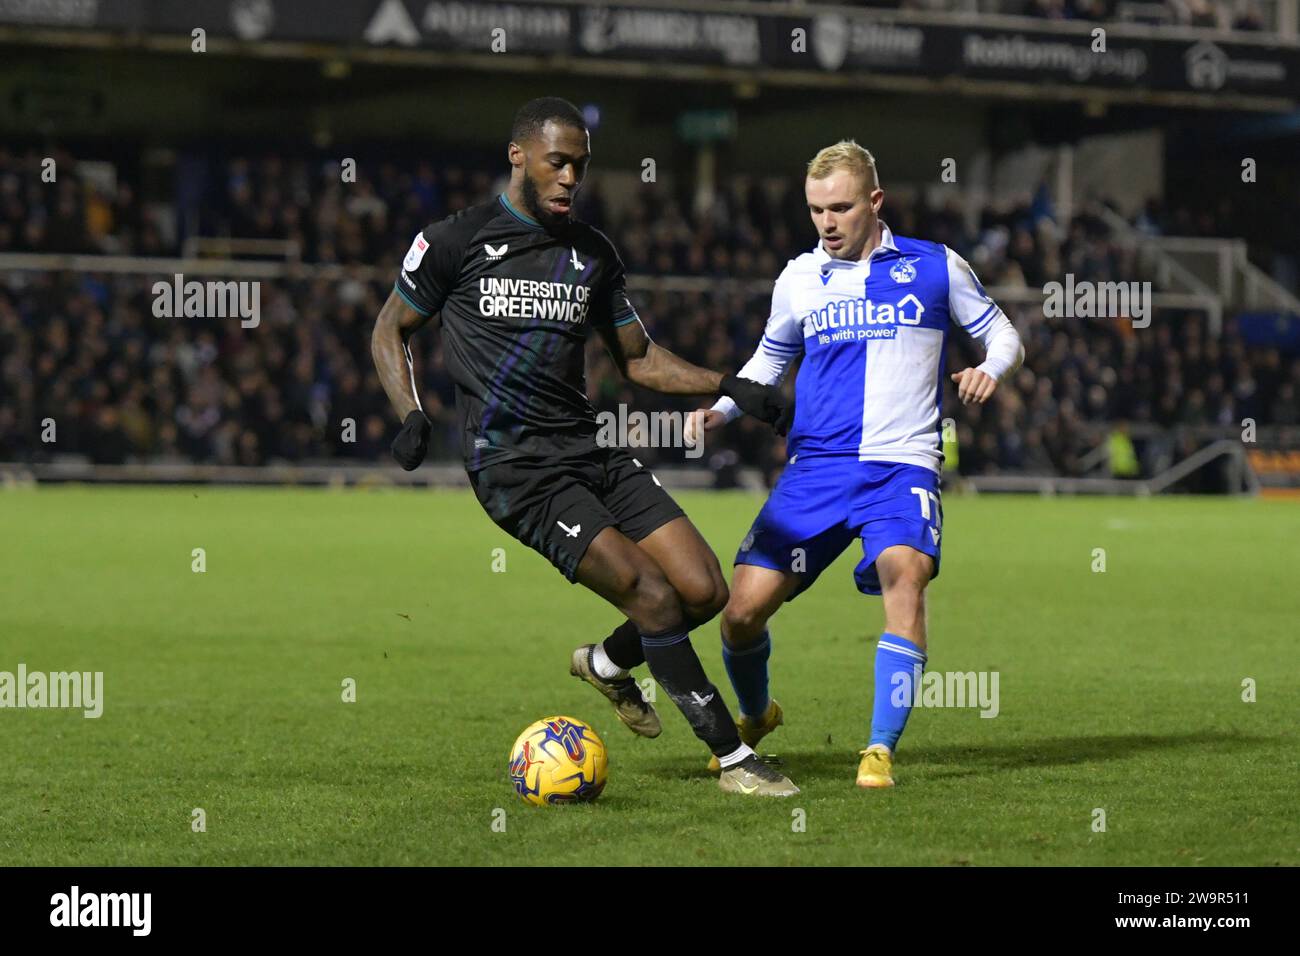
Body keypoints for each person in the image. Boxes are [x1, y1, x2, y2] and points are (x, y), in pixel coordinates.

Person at [371, 97, 798, 796]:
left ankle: (603, 664)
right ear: (519, 156)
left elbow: (638, 358)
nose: (571, 177)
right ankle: (732, 756)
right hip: (517, 469)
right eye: (558, 162)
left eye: (581, 165)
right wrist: (410, 413)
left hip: (590, 448)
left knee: (704, 589)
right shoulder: (455, 241)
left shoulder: (591, 254)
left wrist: (731, 386)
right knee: (653, 597)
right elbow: (391, 329)